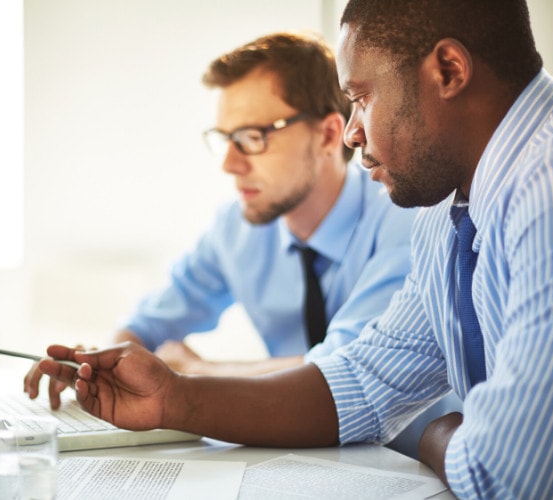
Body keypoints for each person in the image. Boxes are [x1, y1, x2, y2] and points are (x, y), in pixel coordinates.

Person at [39, 0, 553, 497]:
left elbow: (521, 477)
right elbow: (364, 380)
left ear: (449, 70)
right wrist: (175, 398)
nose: (355, 132)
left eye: (362, 97)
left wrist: (438, 433)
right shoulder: (446, 210)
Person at [25, 33, 416, 398]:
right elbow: (148, 324)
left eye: (251, 138)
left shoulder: (403, 219)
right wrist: (97, 365)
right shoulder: (237, 227)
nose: (230, 164)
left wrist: (195, 372)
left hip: (404, 458)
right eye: (226, 139)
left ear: (329, 135)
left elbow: (344, 369)